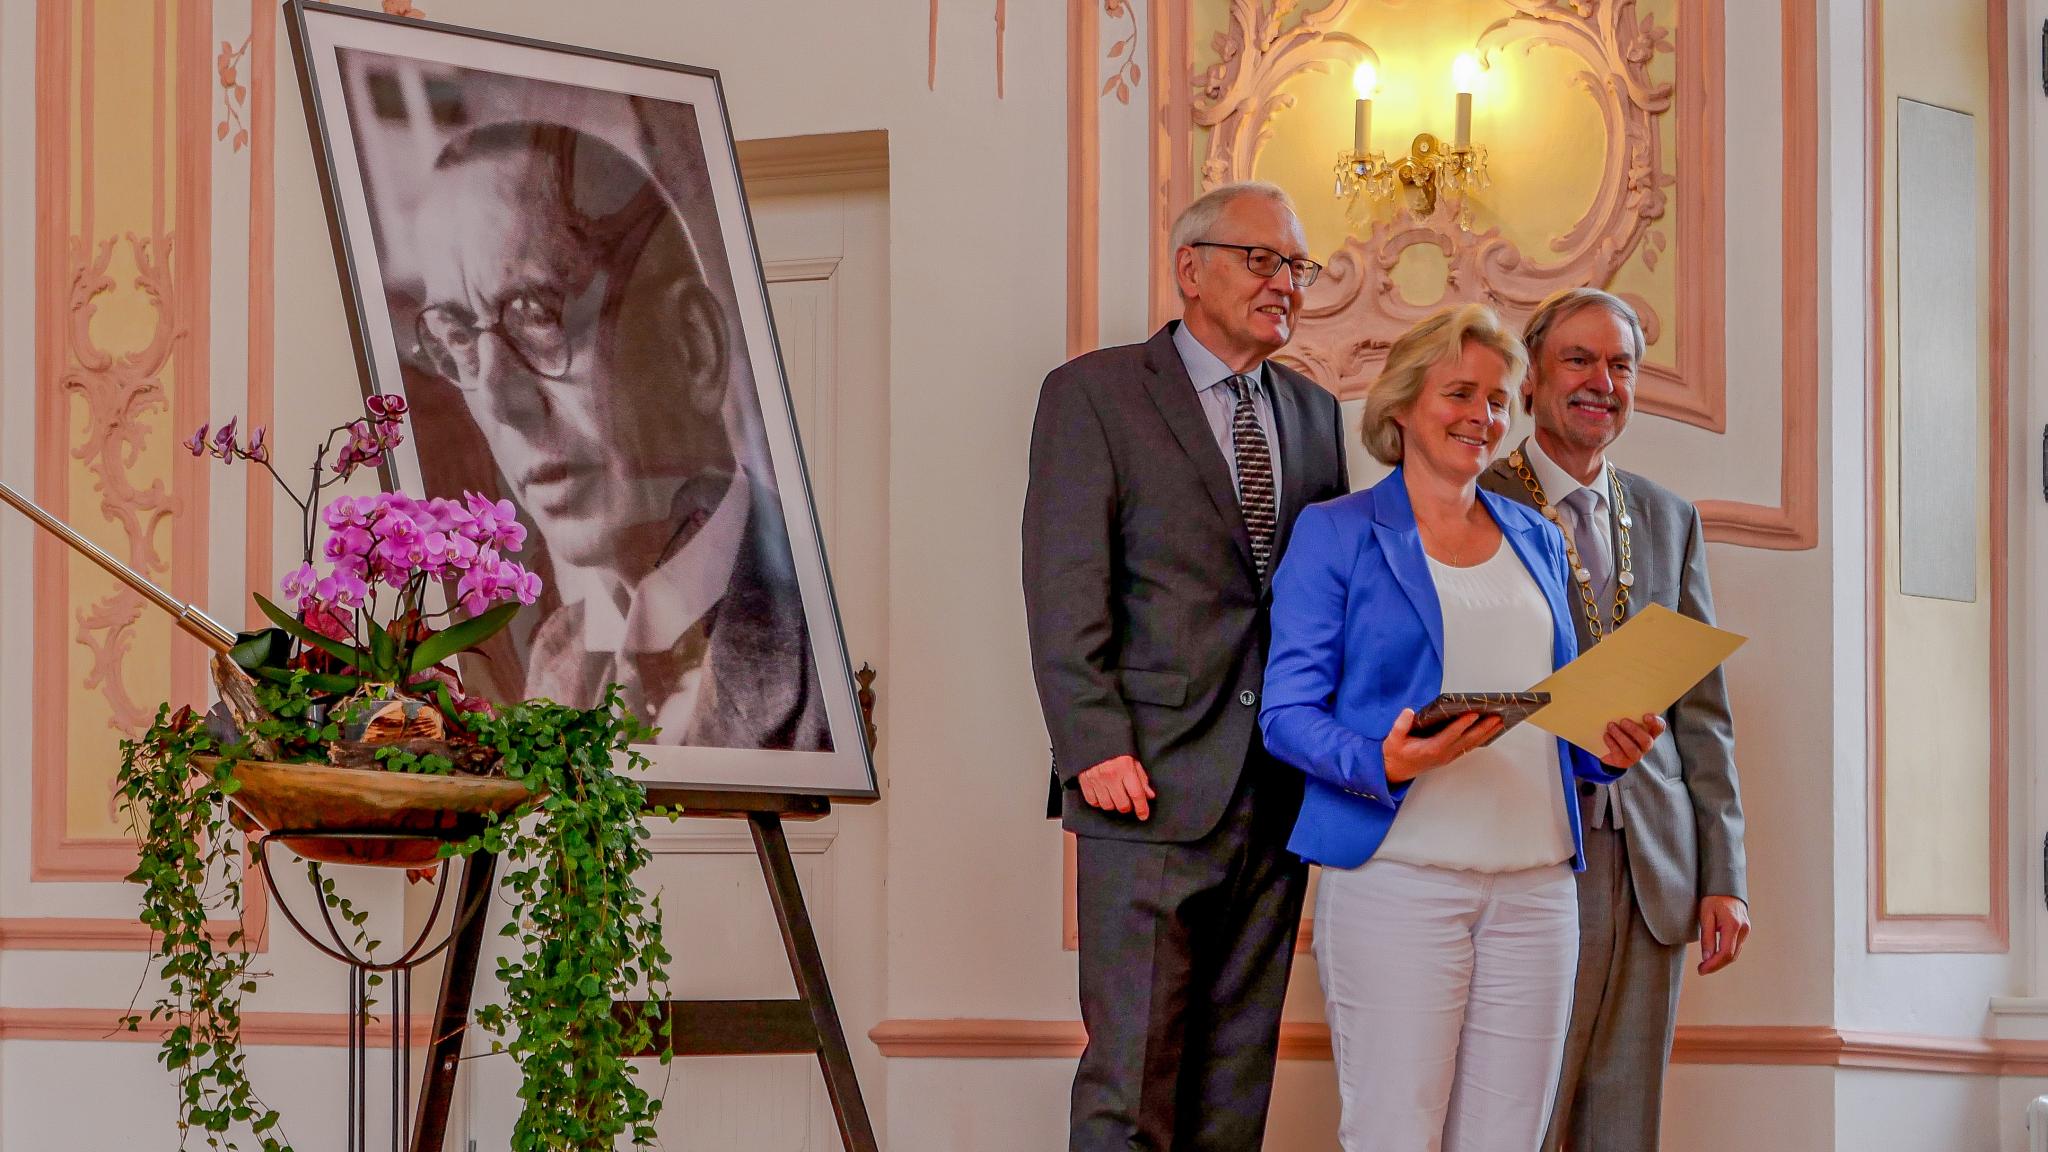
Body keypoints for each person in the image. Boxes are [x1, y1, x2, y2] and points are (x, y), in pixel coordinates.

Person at [1260, 303, 1664, 1152]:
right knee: (1394, 1136)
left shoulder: (1536, 536)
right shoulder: (1336, 533)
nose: (1483, 417)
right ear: (1403, 404)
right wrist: (1383, 758)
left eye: (1497, 398)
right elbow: (1286, 714)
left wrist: (1603, 749)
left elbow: (1552, 710)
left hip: (1541, 889)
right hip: (1400, 882)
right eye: (1460, 394)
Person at [1022, 181, 1350, 1151]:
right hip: (1143, 783)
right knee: (1132, 1080)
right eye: (1263, 260)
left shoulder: (1316, 415)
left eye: (1297, 267)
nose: (1285, 284)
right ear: (1188, 267)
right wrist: (1092, 746)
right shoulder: (1092, 393)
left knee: (1231, 1083)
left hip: (1277, 790)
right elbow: (1062, 582)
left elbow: (1318, 601)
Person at [409, 121, 829, 751]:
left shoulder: (825, 651)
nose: (498, 399)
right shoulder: (558, 661)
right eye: (459, 337)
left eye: (538, 314)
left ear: (694, 350)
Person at [1475, 287, 1749, 1152]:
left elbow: (1704, 715)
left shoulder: (1671, 518)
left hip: (1655, 865)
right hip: (1531, 851)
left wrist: (1725, 874)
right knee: (1518, 1116)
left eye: (1621, 366)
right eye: (1580, 360)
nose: (1603, 382)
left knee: (1623, 1123)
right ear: (1531, 381)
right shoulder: (1472, 499)